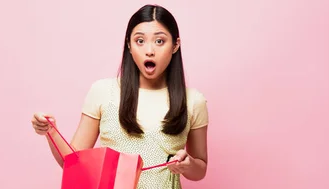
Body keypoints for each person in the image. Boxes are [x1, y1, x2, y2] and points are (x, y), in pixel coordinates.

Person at [30, 4, 209, 188]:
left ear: (175, 45)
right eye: (140, 41)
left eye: (159, 41)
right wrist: (50, 132)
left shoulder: (194, 101)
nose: (149, 50)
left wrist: (188, 165)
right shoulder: (103, 92)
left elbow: (200, 169)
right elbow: (73, 162)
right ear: (129, 45)